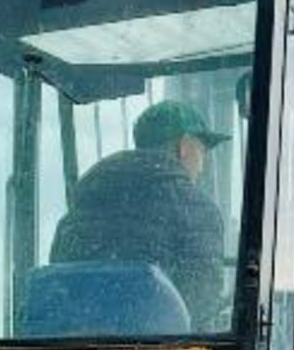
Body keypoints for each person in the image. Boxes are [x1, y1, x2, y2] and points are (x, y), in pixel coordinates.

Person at [49, 99, 229, 329]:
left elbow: (61, 285)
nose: (202, 166)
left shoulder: (82, 206)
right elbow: (201, 300)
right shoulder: (197, 209)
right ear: (183, 147)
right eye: (202, 151)